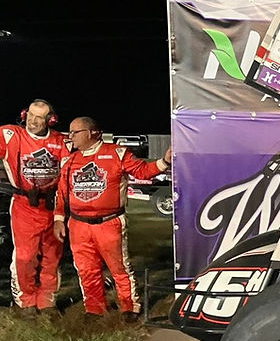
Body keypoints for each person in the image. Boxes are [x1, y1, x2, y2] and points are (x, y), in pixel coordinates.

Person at [53, 117, 173, 321]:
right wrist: (58, 219)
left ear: (91, 133)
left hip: (109, 223)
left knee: (119, 268)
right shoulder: (69, 160)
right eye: (70, 132)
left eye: (75, 132)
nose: (70, 136)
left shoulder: (117, 153)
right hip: (78, 224)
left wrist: (165, 161)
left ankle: (129, 307)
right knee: (86, 269)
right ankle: (94, 308)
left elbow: (142, 171)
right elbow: (62, 193)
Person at [0, 99, 68, 316]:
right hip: (24, 205)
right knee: (25, 256)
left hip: (52, 205)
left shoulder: (62, 141)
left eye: (39, 117)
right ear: (24, 114)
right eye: (30, 115)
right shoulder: (10, 135)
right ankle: (26, 301)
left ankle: (47, 301)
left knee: (52, 255)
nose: (33, 121)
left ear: (51, 120)